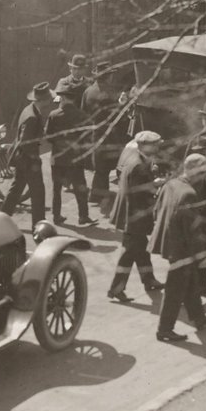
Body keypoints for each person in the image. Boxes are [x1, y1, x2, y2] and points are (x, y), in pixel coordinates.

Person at [150, 153, 206, 342]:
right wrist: (202, 255)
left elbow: (156, 211)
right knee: (175, 289)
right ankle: (164, 329)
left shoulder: (170, 184)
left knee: (190, 282)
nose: (205, 177)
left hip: (170, 243)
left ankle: (199, 318)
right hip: (182, 250)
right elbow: (193, 232)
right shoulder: (190, 194)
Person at [108, 129, 164, 301]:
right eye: (154, 145)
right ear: (145, 146)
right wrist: (156, 184)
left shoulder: (136, 159)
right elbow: (140, 192)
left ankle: (149, 280)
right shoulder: (139, 165)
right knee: (129, 253)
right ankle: (116, 289)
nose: (157, 147)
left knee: (141, 249)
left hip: (129, 213)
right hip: (134, 215)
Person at [2, 82, 55, 229]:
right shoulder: (32, 117)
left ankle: (2, 218)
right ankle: (38, 226)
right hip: (28, 160)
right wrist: (35, 159)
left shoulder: (29, 109)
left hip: (21, 158)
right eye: (48, 99)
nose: (50, 101)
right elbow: (26, 142)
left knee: (16, 189)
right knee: (38, 193)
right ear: (42, 100)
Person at [46, 77, 95, 226]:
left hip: (58, 157)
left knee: (57, 189)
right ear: (73, 99)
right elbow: (88, 136)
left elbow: (48, 136)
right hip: (75, 158)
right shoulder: (82, 115)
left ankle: (56, 216)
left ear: (63, 98)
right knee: (80, 187)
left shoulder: (53, 115)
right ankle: (83, 216)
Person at [82, 66, 128, 213]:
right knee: (104, 167)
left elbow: (83, 112)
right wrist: (122, 104)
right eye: (111, 75)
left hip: (93, 133)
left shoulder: (88, 91)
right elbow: (114, 116)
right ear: (107, 77)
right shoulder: (106, 94)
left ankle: (95, 195)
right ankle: (102, 197)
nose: (112, 78)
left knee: (100, 166)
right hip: (107, 135)